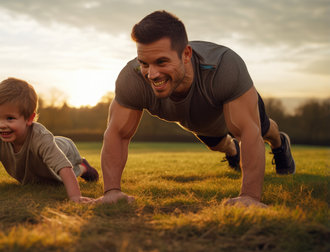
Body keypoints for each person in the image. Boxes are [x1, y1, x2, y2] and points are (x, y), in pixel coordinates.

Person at [96, 10, 295, 207]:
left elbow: (248, 133)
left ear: (186, 54)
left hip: (233, 105)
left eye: (162, 62)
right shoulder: (132, 79)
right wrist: (111, 191)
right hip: (200, 122)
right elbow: (117, 134)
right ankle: (233, 152)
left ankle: (280, 144)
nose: (152, 74)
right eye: (144, 63)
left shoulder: (224, 67)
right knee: (217, 144)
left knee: (264, 128)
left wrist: (250, 197)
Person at [0, 77, 99, 203]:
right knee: (39, 182)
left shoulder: (41, 138)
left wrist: (75, 197)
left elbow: (64, 167)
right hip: (39, 164)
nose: (1, 125)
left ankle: (83, 167)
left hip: (64, 149)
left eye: (10, 118)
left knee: (60, 179)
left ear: (29, 119)